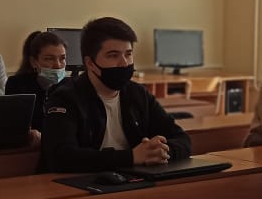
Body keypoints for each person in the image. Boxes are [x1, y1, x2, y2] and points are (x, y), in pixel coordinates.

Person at [40, 16, 191, 172]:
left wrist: (161, 152)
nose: (124, 63)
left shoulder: (138, 94)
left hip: (132, 179)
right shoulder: (65, 98)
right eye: (113, 55)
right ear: (90, 63)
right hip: (80, 183)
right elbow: (61, 156)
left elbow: (182, 139)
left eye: (128, 54)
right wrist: (131, 157)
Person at [6, 31, 68, 131]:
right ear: (34, 62)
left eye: (62, 58)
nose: (58, 65)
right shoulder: (17, 84)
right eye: (49, 59)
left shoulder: (70, 87)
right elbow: (13, 125)